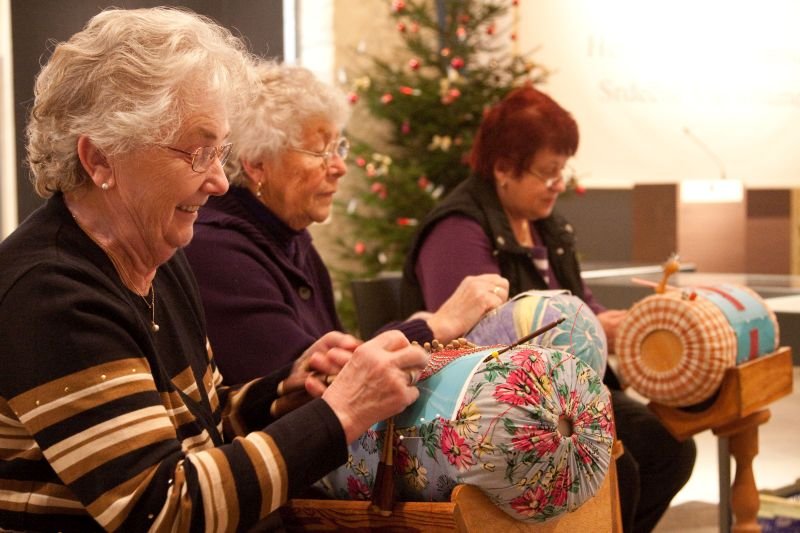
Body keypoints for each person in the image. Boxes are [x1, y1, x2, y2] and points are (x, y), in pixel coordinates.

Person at [0, 8, 428, 532]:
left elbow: (201, 426)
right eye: (199, 152)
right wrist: (341, 413)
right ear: (100, 160)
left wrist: (282, 392)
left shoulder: (161, 258)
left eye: (220, 152)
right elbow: (164, 510)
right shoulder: (51, 293)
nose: (220, 182)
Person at [401, 85, 697, 533]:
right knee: (626, 468)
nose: (559, 184)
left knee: (670, 449)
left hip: (560, 387)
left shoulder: (546, 225)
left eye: (562, 170)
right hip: (494, 407)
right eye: (548, 172)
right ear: (504, 168)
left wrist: (614, 324)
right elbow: (473, 343)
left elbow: (577, 300)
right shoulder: (457, 229)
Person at [184, 61, 508, 384]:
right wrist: (435, 326)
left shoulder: (291, 239)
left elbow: (336, 361)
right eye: (319, 151)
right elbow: (313, 386)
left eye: (339, 147)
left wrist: (420, 327)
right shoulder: (217, 249)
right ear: (257, 165)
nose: (339, 166)